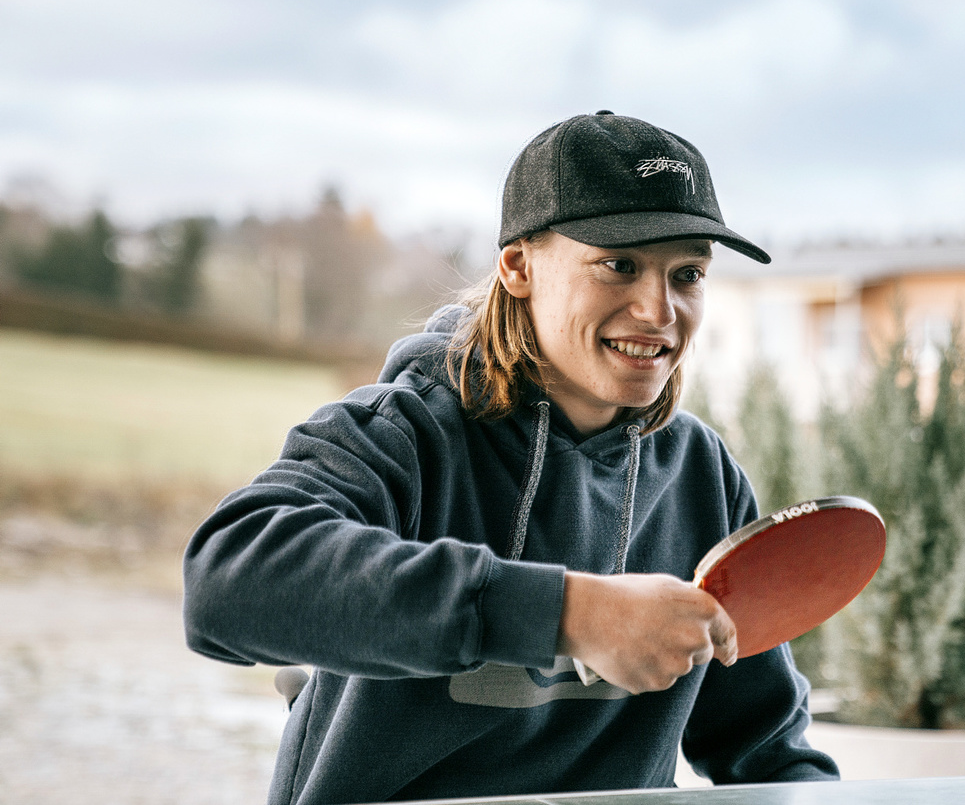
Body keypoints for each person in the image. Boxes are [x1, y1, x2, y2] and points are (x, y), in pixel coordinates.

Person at [182, 110, 840, 804]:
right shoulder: (407, 431)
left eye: (688, 274)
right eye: (620, 265)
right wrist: (570, 612)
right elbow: (225, 579)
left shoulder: (701, 475)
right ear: (519, 266)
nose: (659, 308)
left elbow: (766, 746)